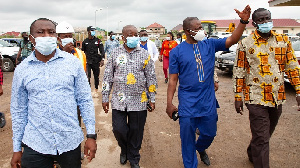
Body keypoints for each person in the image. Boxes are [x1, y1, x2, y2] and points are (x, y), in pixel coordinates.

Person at [166, 5, 251, 168]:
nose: (201, 30)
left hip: (207, 101)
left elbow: (232, 39)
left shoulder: (210, 44)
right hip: (187, 102)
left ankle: (201, 148)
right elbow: (172, 80)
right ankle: (190, 164)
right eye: (197, 28)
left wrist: (243, 22)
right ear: (187, 31)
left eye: (201, 27)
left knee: (209, 133)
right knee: (187, 138)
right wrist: (169, 103)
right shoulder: (176, 52)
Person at [10, 18, 97, 168]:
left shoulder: (72, 63)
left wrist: (91, 135)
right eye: (40, 32)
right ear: (31, 38)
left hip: (69, 140)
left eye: (51, 32)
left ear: (57, 37)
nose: (46, 36)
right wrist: (17, 148)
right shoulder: (22, 70)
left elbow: (84, 100)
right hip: (35, 143)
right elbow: (19, 110)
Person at [233, 8, 300, 168]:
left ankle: (252, 151)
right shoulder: (245, 44)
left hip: (277, 95)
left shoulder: (283, 40)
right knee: (262, 137)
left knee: (265, 132)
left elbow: (292, 66)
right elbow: (239, 71)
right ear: (254, 23)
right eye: (261, 20)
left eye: (267, 19)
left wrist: (298, 89)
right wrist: (237, 97)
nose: (265, 22)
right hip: (255, 97)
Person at [102, 25, 157, 168]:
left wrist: (152, 98)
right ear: (123, 38)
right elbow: (107, 76)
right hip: (119, 100)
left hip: (139, 99)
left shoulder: (144, 54)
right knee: (118, 129)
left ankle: (134, 158)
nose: (134, 37)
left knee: (136, 131)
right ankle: (124, 148)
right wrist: (104, 97)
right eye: (130, 35)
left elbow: (151, 76)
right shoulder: (115, 53)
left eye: (135, 34)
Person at [82, 26, 105, 98]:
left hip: (96, 61)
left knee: (96, 76)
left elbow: (102, 51)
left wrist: (102, 59)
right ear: (88, 31)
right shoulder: (85, 42)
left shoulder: (98, 41)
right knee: (87, 76)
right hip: (88, 61)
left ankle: (96, 89)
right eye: (92, 30)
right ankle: (88, 91)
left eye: (94, 30)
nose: (93, 32)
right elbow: (83, 51)